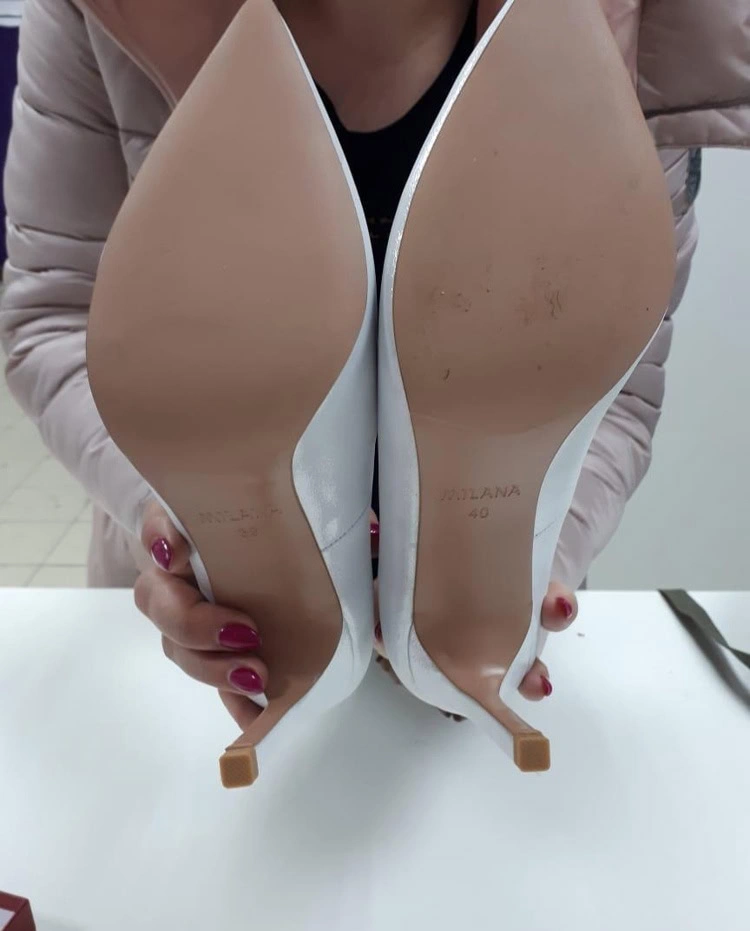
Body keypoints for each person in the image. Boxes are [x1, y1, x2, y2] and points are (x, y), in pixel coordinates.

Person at [1, 0, 747, 727]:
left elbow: (618, 376)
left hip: (489, 609)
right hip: (194, 628)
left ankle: (472, 621)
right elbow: (54, 314)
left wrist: (544, 553)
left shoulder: (629, 17)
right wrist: (173, 521)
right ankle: (408, 622)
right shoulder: (97, 10)